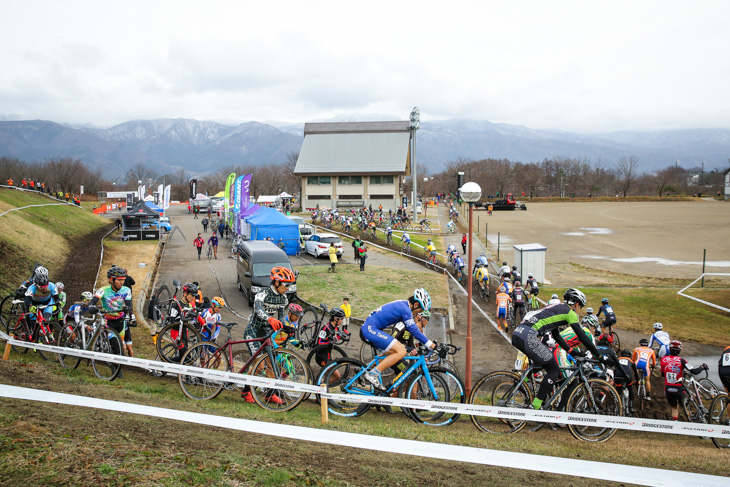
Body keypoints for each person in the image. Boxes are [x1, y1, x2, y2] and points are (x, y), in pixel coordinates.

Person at [511, 288, 609, 410]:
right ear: (577, 304)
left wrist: (571, 351)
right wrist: (599, 356)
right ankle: (535, 406)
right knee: (554, 369)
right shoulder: (570, 313)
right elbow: (582, 336)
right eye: (580, 307)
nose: (579, 309)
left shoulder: (556, 309)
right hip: (529, 336)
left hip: (519, 334)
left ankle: (518, 387)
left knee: (540, 363)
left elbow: (556, 335)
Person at [360, 289, 443, 389]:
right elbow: (415, 331)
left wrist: (428, 344)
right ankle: (373, 374)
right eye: (420, 310)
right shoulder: (406, 310)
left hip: (371, 329)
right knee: (401, 351)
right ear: (416, 304)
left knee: (393, 352)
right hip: (370, 329)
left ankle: (363, 370)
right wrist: (434, 346)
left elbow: (412, 330)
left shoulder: (403, 305)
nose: (419, 314)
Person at [241, 266, 296, 404]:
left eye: (290, 285)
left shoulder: (283, 299)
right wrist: (269, 318)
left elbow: (282, 318)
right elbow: (258, 309)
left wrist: (287, 328)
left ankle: (269, 394)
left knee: (272, 365)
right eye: (286, 284)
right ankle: (246, 391)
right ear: (276, 283)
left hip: (266, 332)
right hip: (253, 330)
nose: (288, 288)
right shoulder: (262, 293)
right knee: (259, 366)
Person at [88, 266, 133, 361]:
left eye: (123, 280)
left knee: (122, 349)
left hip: (120, 322)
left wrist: (130, 315)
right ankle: (115, 369)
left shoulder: (126, 290)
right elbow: (92, 301)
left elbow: (129, 306)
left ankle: (115, 367)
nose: (121, 282)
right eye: (119, 280)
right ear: (111, 280)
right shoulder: (103, 290)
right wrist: (91, 306)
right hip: (108, 322)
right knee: (116, 348)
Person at [660, 340, 708, 420]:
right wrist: (703, 367)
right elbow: (694, 371)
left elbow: (662, 374)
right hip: (679, 388)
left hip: (668, 388)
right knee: (686, 406)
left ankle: (675, 421)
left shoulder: (664, 359)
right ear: (679, 350)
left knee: (674, 407)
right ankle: (690, 422)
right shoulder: (682, 360)